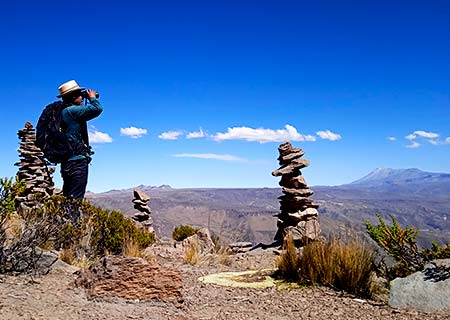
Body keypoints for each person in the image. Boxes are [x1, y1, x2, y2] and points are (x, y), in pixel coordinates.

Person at [56, 80, 103, 203]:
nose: (82, 97)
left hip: (67, 162)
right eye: (79, 94)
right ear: (72, 96)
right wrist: (92, 98)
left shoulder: (63, 111)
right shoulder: (72, 111)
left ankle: (64, 220)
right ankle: (73, 222)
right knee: (75, 200)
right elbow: (97, 109)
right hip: (77, 161)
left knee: (69, 197)